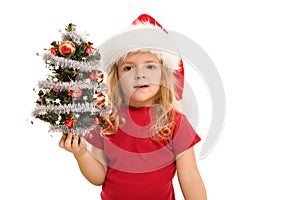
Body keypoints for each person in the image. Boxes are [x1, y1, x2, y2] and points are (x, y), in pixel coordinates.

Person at [59, 14, 207, 200]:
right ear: (117, 78)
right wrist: (80, 153)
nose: (139, 75)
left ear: (163, 75)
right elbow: (99, 177)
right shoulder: (106, 120)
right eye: (128, 68)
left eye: (150, 67)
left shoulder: (174, 122)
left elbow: (190, 177)